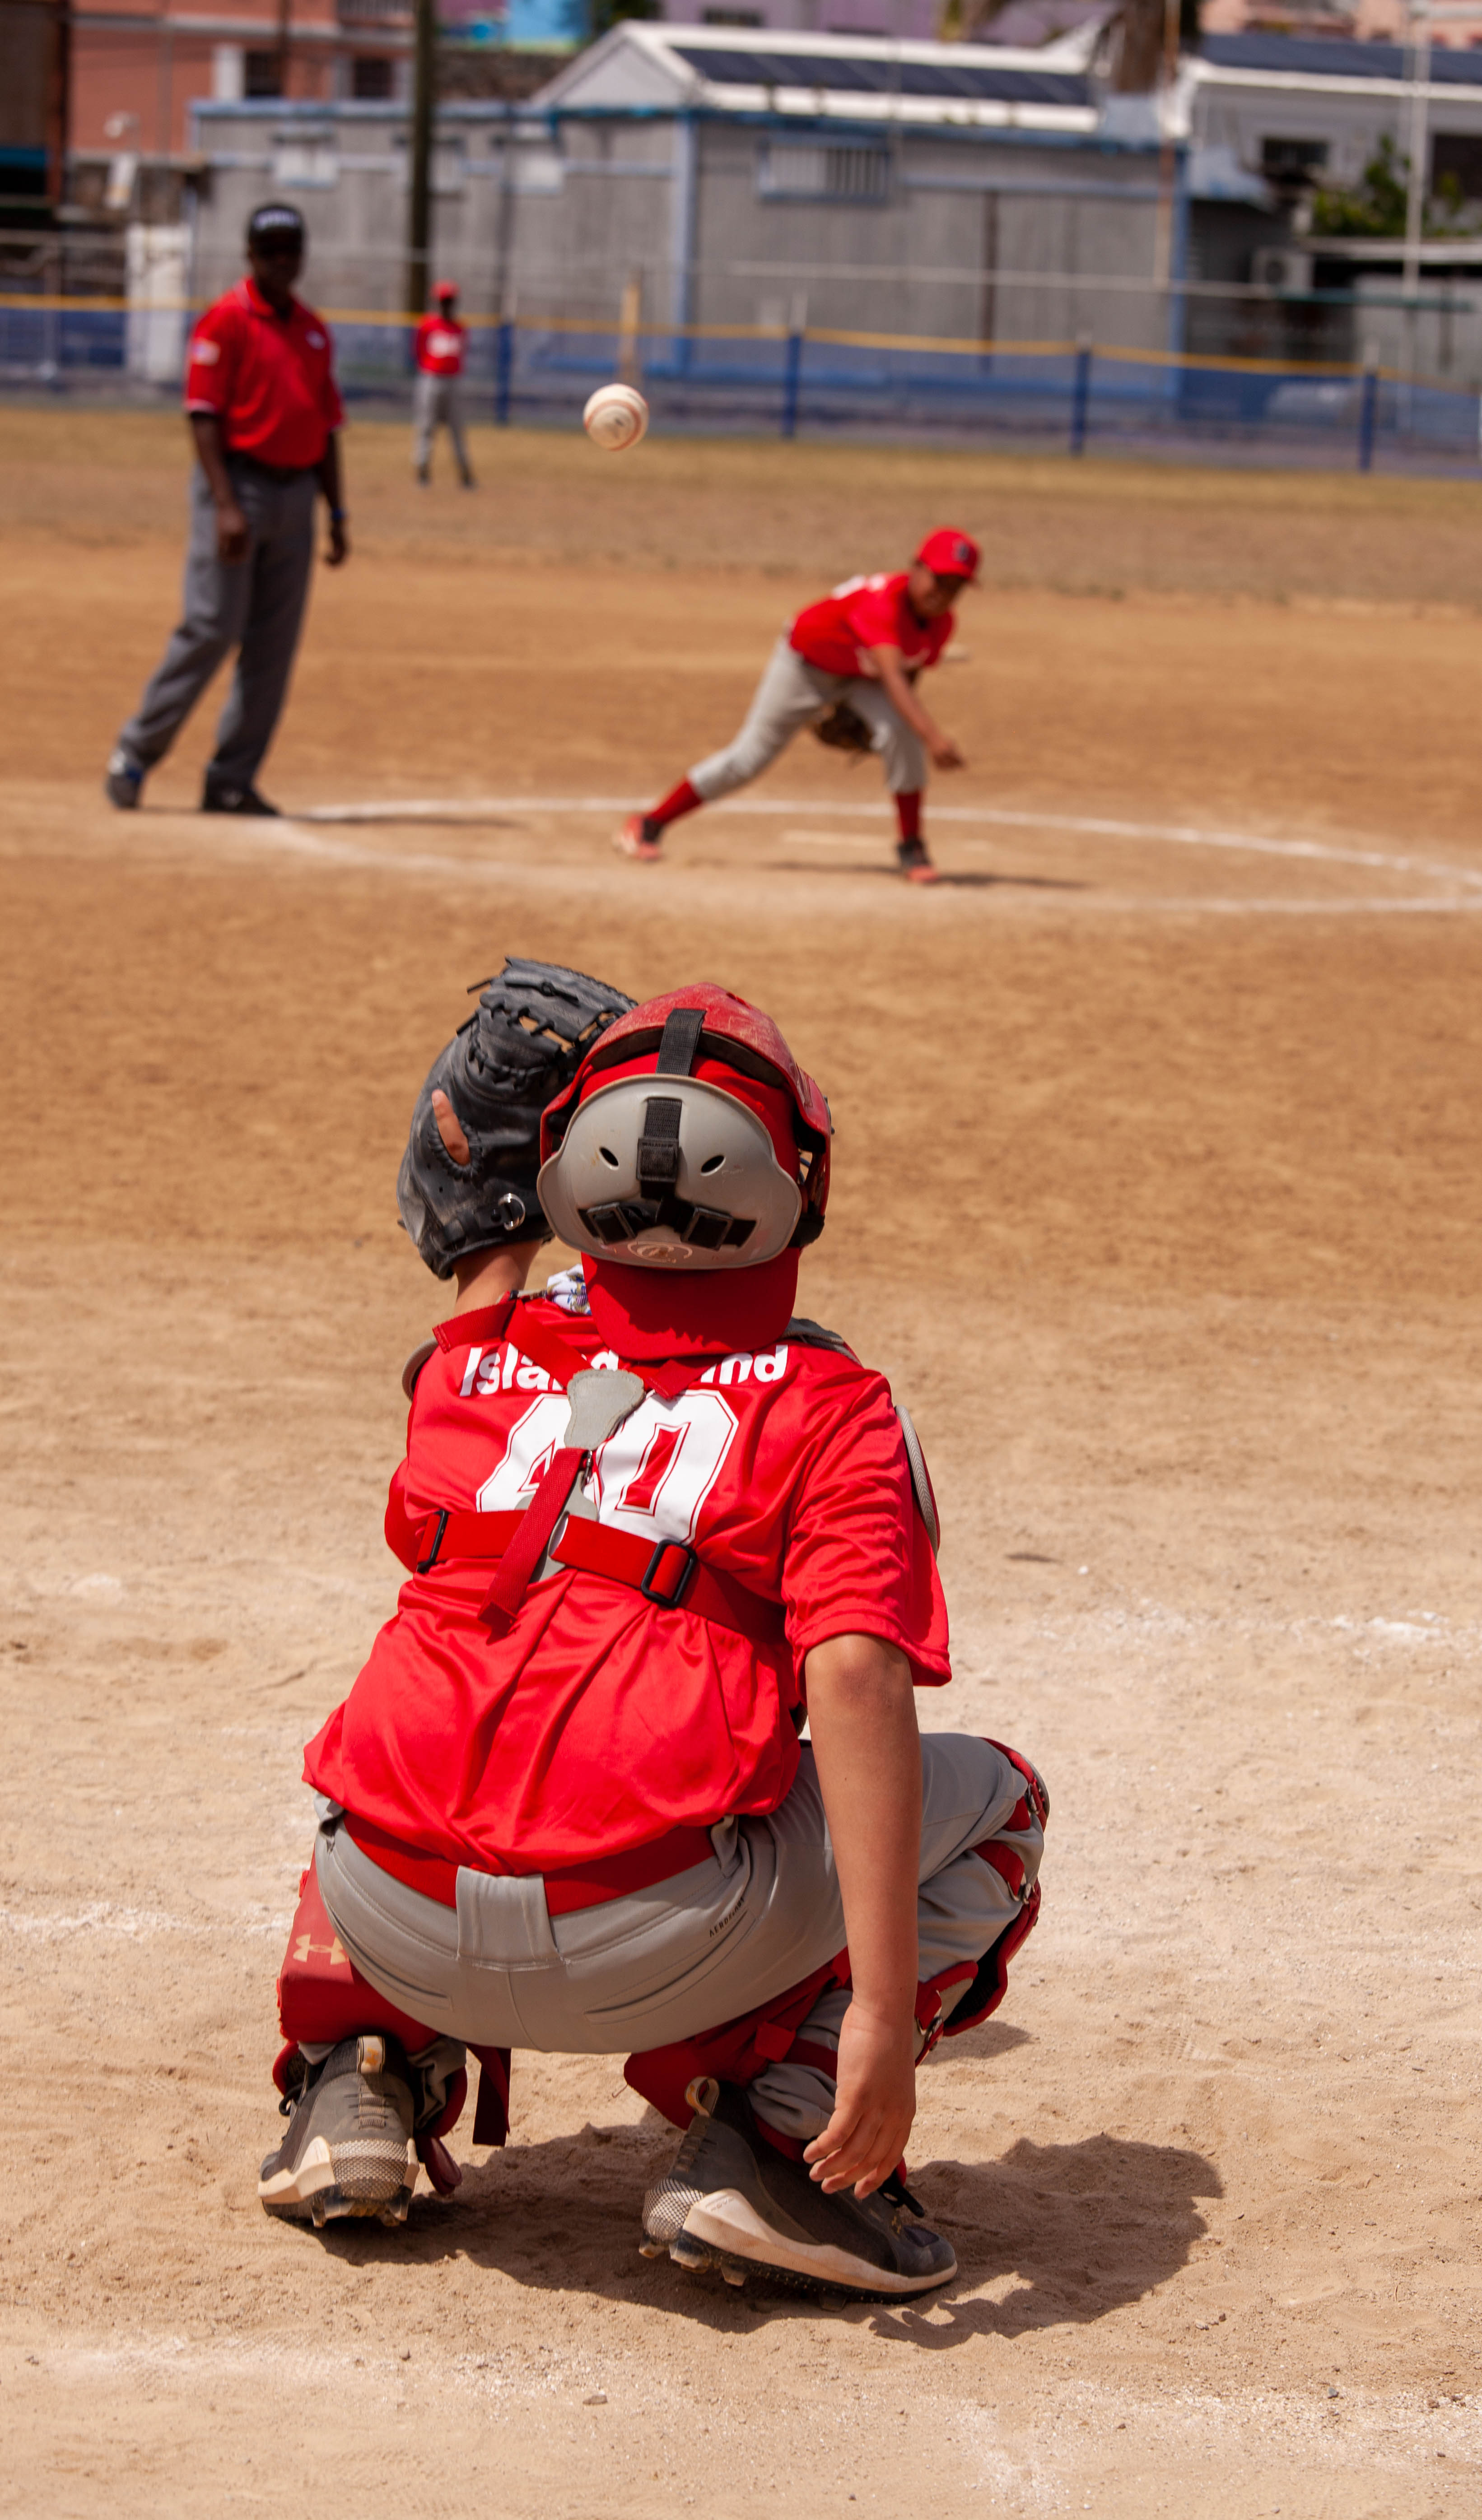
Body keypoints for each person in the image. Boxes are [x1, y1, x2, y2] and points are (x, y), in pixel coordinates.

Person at [258, 967, 1048, 2302]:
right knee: (996, 1798)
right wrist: (875, 2014)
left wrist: (487, 1252)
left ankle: (357, 2084)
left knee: (433, 1705)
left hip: (385, 1919)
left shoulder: (468, 1366)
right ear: (800, 1181)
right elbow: (851, 1681)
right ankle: (781, 2143)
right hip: (649, 1945)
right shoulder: (832, 1403)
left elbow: (485, 1351)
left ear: (564, 1176)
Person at [104, 202, 348, 819]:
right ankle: (135, 752)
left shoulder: (314, 331)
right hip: (239, 487)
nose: (283, 259)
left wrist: (338, 512)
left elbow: (326, 428)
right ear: (250, 256)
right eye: (270, 250)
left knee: (273, 647)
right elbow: (203, 416)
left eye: (291, 248)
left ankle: (231, 780)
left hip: (297, 497)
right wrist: (225, 504)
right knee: (212, 626)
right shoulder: (225, 322)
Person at [615, 529, 980, 887]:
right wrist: (934, 738)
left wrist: (892, 722)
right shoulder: (883, 602)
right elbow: (893, 676)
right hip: (807, 666)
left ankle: (911, 846)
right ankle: (649, 824)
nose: (944, 593)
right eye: (939, 579)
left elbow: (908, 671)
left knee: (900, 733)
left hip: (861, 673)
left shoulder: (942, 624)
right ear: (916, 568)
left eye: (956, 586)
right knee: (749, 758)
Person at [412, 281, 475, 489]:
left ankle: (465, 473)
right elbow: (418, 351)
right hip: (431, 379)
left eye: (449, 301)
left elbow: (462, 354)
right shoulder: (427, 325)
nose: (446, 305)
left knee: (457, 429)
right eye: (443, 301)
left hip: (454, 381)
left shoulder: (460, 327)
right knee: (426, 426)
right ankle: (422, 471)